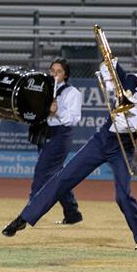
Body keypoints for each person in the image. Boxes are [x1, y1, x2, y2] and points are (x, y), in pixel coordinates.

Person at [2, 58, 137, 251]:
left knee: (123, 196)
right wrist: (109, 65)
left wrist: (128, 106)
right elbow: (108, 69)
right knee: (63, 178)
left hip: (123, 148)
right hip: (102, 141)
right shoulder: (129, 80)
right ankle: (24, 218)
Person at [27, 58, 84, 225]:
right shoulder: (45, 90)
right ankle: (72, 212)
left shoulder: (72, 93)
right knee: (56, 176)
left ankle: (29, 213)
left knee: (42, 172)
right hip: (46, 132)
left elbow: (74, 119)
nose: (54, 74)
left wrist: (57, 111)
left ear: (65, 74)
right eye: (52, 71)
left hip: (61, 134)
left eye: (58, 72)